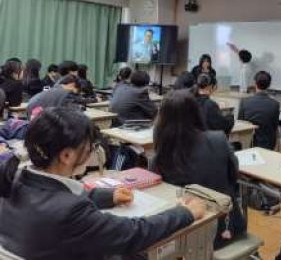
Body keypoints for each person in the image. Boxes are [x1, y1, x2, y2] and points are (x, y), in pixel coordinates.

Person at [0, 107, 205, 259]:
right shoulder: (70, 210)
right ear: (66, 155)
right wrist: (184, 213)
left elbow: (59, 197)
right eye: (88, 148)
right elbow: (133, 233)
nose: (91, 153)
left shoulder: (15, 179)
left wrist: (109, 196)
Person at [152, 90, 246, 249]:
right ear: (196, 113)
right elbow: (234, 174)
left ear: (162, 119)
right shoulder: (218, 139)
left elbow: (160, 200)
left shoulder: (161, 156)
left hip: (183, 237)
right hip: (226, 227)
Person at [238, 71, 280, 150]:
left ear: (255, 83)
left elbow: (240, 124)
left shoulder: (245, 102)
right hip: (267, 145)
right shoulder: (275, 104)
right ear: (269, 84)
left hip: (247, 143)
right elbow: (274, 127)